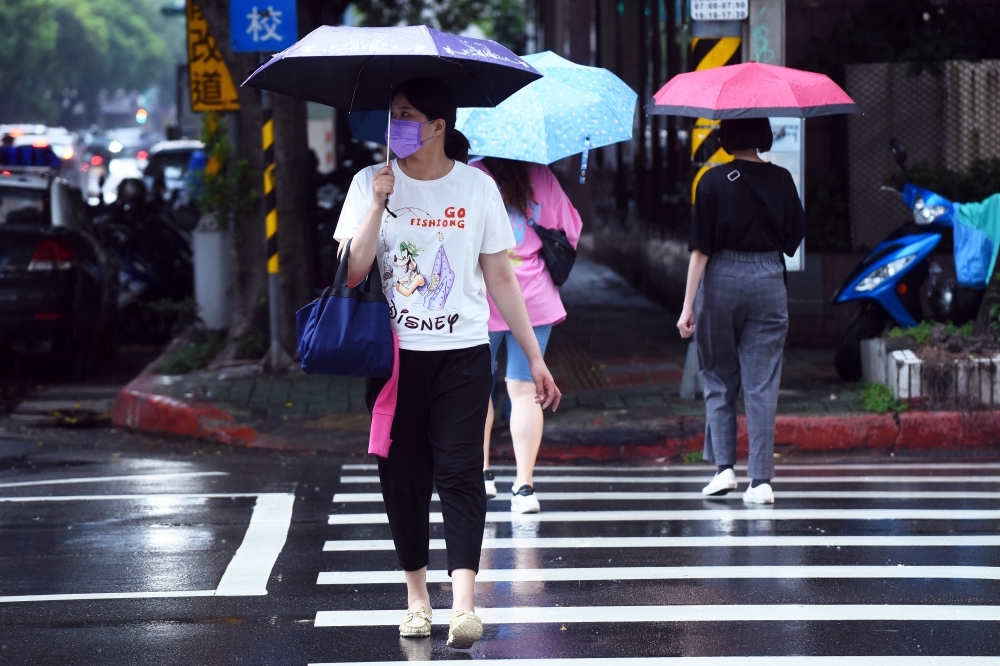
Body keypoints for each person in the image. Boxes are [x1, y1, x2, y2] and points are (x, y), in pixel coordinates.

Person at [333, 77, 561, 650]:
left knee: (461, 474)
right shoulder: (368, 183)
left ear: (438, 126)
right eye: (392, 115)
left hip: (462, 354)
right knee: (403, 481)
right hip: (394, 362)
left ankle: (463, 605)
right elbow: (354, 270)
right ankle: (417, 600)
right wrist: (380, 204)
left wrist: (534, 357)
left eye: (407, 115)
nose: (396, 125)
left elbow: (501, 276)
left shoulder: (476, 188)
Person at [676, 117, 805, 505]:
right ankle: (761, 481)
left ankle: (724, 469)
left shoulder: (713, 182)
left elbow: (700, 249)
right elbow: (793, 238)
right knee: (762, 382)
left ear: (726, 137)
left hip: (721, 276)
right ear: (763, 135)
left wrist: (687, 305)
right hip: (768, 277)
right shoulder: (782, 179)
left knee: (717, 373)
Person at [471, 157, 582, 513]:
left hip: (483, 297)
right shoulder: (542, 175)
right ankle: (524, 487)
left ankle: (482, 474)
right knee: (524, 390)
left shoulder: (473, 175)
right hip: (533, 298)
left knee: (476, 387)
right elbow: (572, 228)